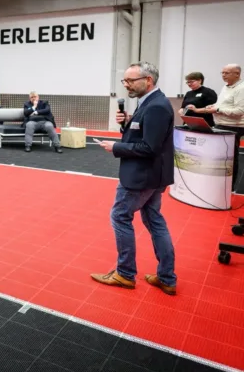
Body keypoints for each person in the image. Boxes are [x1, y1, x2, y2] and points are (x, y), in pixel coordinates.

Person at [92, 62, 177, 296]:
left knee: (120, 217)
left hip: (142, 176)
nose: (126, 85)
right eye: (125, 81)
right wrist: (127, 122)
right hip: (152, 175)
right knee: (154, 221)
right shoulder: (149, 102)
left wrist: (116, 147)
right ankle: (166, 278)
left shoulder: (156, 106)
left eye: (131, 81)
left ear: (148, 80)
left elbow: (149, 147)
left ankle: (125, 274)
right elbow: (143, 134)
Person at [192, 64, 243, 190]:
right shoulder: (226, 87)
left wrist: (218, 109)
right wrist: (213, 106)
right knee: (219, 157)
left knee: (230, 158)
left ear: (237, 74)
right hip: (221, 124)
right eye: (222, 72)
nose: (223, 75)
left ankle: (230, 188)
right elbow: (222, 105)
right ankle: (218, 184)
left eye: (227, 73)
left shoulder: (241, 88)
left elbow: (239, 111)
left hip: (233, 127)